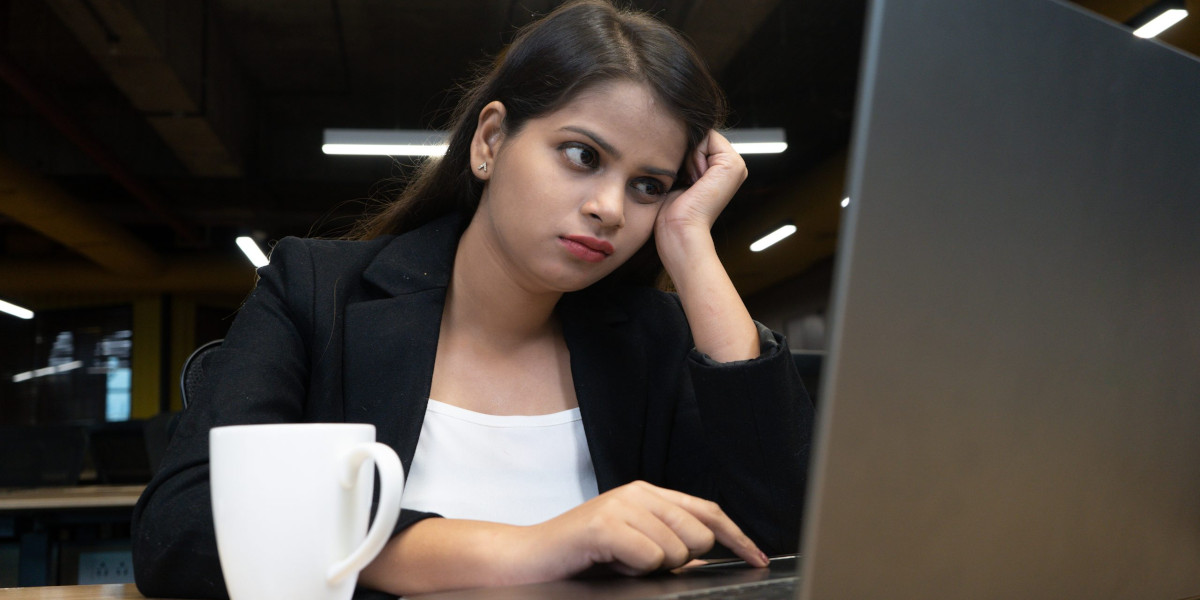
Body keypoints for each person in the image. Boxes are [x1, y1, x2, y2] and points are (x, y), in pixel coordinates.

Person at [131, 1, 814, 598]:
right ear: (490, 141)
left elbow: (776, 543)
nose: (609, 208)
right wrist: (530, 548)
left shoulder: (648, 335)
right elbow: (182, 529)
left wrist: (692, 246)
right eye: (581, 156)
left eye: (648, 186)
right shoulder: (317, 292)